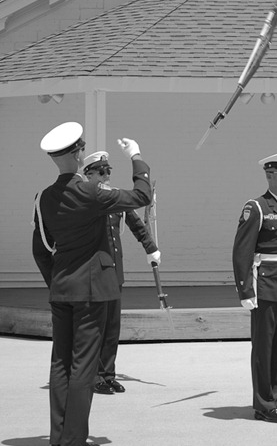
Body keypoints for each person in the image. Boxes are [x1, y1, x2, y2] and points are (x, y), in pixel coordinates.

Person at [32, 122, 152, 446]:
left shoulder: (43, 198)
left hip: (62, 289)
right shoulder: (90, 191)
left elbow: (41, 250)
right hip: (90, 292)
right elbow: (142, 194)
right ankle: (73, 440)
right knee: (83, 368)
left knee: (60, 365)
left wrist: (56, 282)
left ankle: (59, 437)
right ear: (78, 152)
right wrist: (136, 155)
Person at [232, 151, 277, 424]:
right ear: (270, 175)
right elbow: (242, 251)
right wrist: (245, 291)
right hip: (266, 285)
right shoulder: (257, 207)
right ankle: (264, 404)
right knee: (264, 348)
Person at [82, 151, 161, 394]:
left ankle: (107, 374)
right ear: (89, 174)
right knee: (96, 327)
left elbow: (135, 223)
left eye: (108, 171)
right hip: (93, 274)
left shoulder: (114, 197)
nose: (106, 176)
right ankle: (93, 376)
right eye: (101, 171)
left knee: (112, 327)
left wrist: (151, 248)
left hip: (114, 272)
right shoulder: (84, 199)